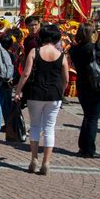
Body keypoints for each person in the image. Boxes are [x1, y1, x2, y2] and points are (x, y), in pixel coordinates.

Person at [15, 25, 69, 175]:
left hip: (35, 93)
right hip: (54, 95)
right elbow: (66, 78)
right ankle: (46, 161)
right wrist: (61, 91)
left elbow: (25, 74)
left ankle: (34, 158)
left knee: (35, 126)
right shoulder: (61, 55)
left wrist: (18, 91)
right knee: (49, 128)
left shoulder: (35, 51)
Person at [69, 23, 100, 159]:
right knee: (93, 118)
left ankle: (83, 146)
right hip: (95, 84)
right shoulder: (95, 47)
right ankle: (89, 149)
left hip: (82, 84)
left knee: (87, 116)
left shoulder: (74, 49)